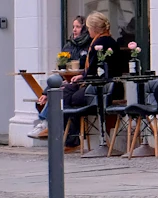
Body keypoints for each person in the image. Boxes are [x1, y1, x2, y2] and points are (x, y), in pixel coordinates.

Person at [33, 11, 126, 147]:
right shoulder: (110, 40)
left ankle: (66, 134)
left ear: (94, 28)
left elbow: (95, 70)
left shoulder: (99, 43)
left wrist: (83, 77)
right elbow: (96, 69)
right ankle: (64, 132)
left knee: (68, 95)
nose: (88, 32)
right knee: (66, 90)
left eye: (88, 28)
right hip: (108, 86)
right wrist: (82, 76)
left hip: (103, 89)